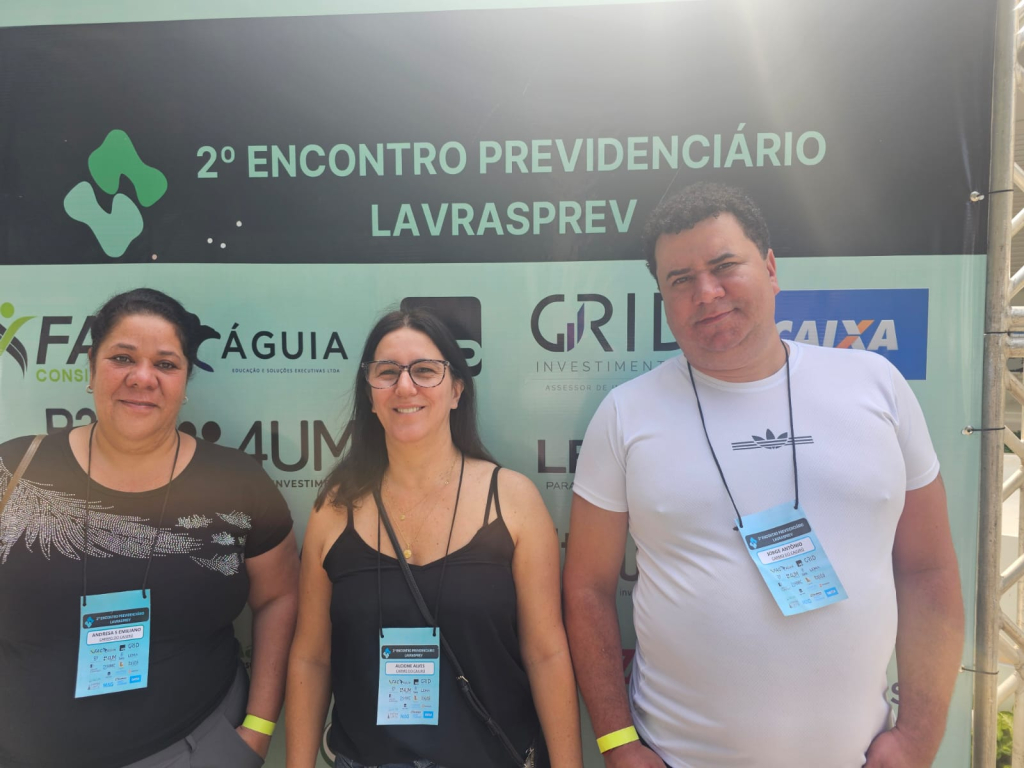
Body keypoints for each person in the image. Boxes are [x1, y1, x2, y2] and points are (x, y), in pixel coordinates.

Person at [562, 183, 963, 768]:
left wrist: (919, 736)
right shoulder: (626, 413)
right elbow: (587, 590)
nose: (707, 293)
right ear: (663, 299)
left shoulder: (876, 386)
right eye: (681, 280)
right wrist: (618, 744)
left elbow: (928, 571)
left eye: (725, 265)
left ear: (771, 269)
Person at [0, 288, 299, 768]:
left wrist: (258, 729)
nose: (142, 378)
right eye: (122, 358)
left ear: (185, 380)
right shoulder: (12, 471)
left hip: (195, 748)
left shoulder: (237, 482)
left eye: (165, 364)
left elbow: (279, 597)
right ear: (90, 367)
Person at [286, 308, 582, 768]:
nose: (405, 387)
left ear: (457, 390)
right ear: (369, 394)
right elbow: (311, 656)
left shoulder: (512, 500)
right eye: (387, 372)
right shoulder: (335, 508)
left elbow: (546, 654)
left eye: (425, 371)